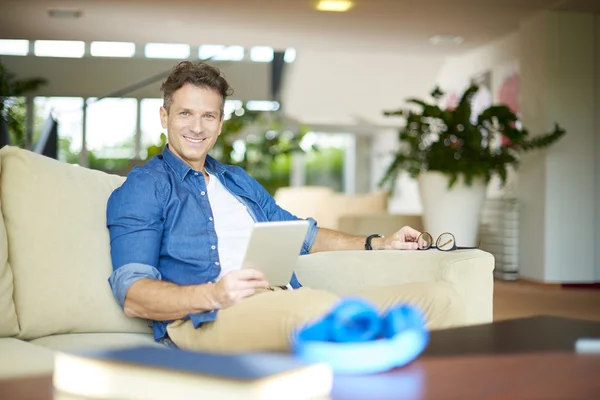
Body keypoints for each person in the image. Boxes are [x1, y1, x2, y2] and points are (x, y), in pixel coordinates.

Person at [106, 61, 465, 353]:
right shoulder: (145, 186)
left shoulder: (237, 180)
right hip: (209, 317)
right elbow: (134, 295)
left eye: (209, 116)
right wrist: (213, 294)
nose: (197, 127)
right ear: (164, 116)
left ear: (219, 122)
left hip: (283, 301)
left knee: (438, 299)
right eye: (185, 114)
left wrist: (378, 243)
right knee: (315, 312)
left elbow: (303, 236)